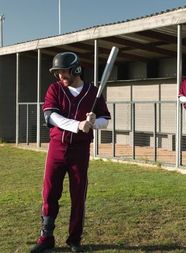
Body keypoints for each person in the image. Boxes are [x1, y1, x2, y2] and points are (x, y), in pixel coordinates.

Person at [30, 52, 111, 253]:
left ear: (76, 69)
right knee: (49, 192)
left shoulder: (93, 92)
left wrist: (93, 123)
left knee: (78, 194)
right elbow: (51, 116)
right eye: (57, 73)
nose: (60, 76)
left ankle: (75, 239)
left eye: (63, 72)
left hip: (80, 150)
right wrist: (78, 124)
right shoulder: (55, 89)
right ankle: (46, 237)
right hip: (57, 148)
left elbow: (105, 120)